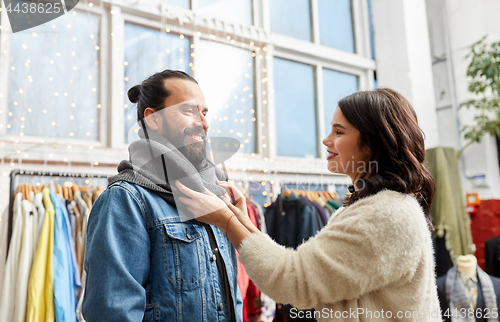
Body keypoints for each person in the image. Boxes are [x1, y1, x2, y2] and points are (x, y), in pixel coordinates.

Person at [176, 88, 442, 321]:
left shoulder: (386, 215)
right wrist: (244, 221)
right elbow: (302, 268)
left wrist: (227, 221)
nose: (326, 140)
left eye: (339, 132)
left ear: (373, 144)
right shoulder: (374, 207)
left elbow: (294, 281)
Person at [82, 70, 243, 322]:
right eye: (189, 111)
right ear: (153, 119)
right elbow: (112, 314)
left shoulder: (217, 196)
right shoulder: (126, 201)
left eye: (204, 112)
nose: (203, 123)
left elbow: (231, 297)